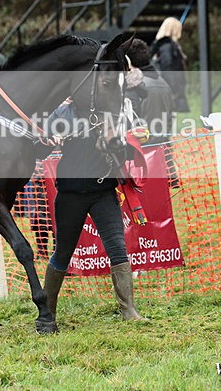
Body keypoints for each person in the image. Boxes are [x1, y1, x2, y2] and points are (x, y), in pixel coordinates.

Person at [41, 99, 144, 323]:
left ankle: (129, 311)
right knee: (63, 253)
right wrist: (49, 140)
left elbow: (129, 151)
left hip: (103, 191)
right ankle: (47, 315)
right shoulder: (62, 111)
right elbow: (40, 149)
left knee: (117, 247)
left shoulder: (115, 110)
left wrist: (117, 143)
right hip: (70, 194)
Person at [125, 39, 174, 135]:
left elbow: (128, 125)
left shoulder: (132, 87)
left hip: (139, 146)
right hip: (161, 145)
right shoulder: (164, 84)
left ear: (128, 61)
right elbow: (170, 119)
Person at [149, 17, 189, 113]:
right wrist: (174, 88)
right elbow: (168, 67)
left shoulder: (164, 44)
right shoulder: (167, 45)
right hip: (171, 86)